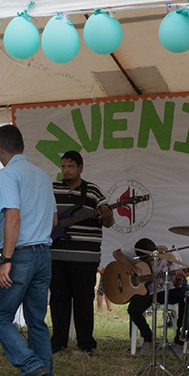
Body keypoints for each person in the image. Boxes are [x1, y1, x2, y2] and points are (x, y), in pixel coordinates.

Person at [0, 124, 57, 376]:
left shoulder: (7, 173)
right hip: (43, 253)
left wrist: (7, 258)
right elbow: (53, 219)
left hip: (20, 255)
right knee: (37, 320)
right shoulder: (42, 175)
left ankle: (30, 364)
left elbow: (13, 216)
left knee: (0, 316)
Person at [49, 150, 114, 356]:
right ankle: (58, 342)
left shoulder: (93, 191)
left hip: (85, 258)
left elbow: (108, 222)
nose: (66, 170)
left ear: (80, 168)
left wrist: (107, 216)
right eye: (63, 166)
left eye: (70, 166)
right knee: (58, 299)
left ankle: (86, 344)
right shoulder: (52, 188)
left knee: (84, 300)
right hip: (57, 255)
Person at [112, 238, 189, 355]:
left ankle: (180, 341)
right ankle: (148, 338)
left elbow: (177, 285)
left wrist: (178, 279)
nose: (151, 263)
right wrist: (127, 263)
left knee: (185, 294)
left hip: (166, 292)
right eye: (146, 261)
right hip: (147, 293)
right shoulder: (135, 253)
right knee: (134, 308)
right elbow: (116, 253)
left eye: (152, 260)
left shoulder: (170, 258)